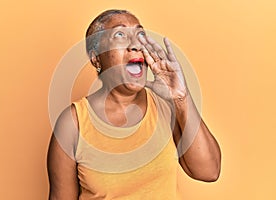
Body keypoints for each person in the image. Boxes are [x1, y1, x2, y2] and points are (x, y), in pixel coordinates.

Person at [47, 9, 221, 200]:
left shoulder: (165, 106)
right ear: (96, 57)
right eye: (120, 35)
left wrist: (181, 97)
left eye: (140, 35)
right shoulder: (73, 123)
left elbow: (209, 171)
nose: (135, 44)